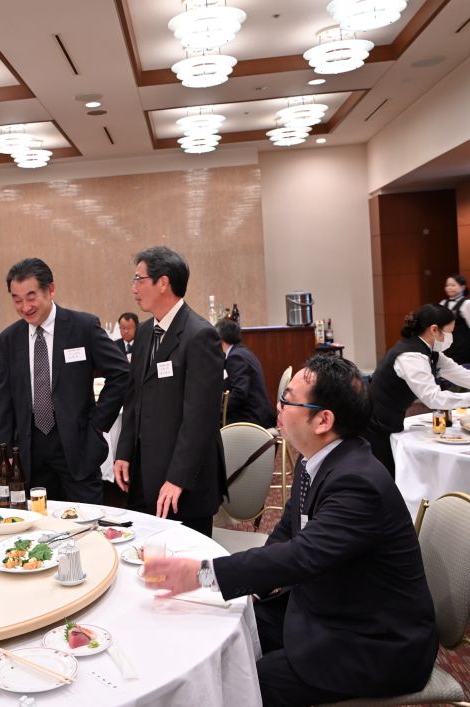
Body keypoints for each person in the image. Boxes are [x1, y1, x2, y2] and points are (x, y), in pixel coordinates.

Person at [144, 356, 438, 707]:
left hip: (376, 642)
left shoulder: (358, 483)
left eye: (288, 399)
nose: (278, 406)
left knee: (243, 684)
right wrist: (252, 586)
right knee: (220, 628)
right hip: (326, 604)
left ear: (323, 420)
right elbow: (285, 535)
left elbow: (300, 556)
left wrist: (202, 574)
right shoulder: (316, 459)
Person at [113, 246, 225, 537]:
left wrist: (177, 478)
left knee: (185, 558)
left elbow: (200, 418)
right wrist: (123, 452)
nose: (133, 288)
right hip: (144, 474)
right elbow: (133, 399)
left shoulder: (199, 335)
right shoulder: (145, 332)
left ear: (163, 282)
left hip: (184, 481)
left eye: (139, 279)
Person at [0, 258, 128, 504]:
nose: (25, 307)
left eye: (31, 297)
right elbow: (5, 398)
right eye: (17, 299)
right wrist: (6, 449)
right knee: (39, 520)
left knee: (86, 519)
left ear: (51, 290)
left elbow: (121, 373)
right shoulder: (9, 339)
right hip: (29, 448)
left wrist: (98, 425)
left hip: (78, 444)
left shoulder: (82, 327)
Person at [362, 303, 470, 474]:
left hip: (392, 417)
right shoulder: (410, 356)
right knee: (385, 473)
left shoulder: (430, 352)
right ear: (434, 330)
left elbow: (461, 374)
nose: (452, 338)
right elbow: (433, 398)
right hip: (375, 423)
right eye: (450, 332)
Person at [217, 318, 276, 428]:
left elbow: (240, 392)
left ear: (220, 340)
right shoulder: (241, 351)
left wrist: (219, 410)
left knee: (211, 423)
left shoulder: (236, 357)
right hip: (257, 412)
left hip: (252, 417)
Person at [439, 274, 470, 365]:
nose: (449, 288)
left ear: (463, 287)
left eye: (453, 285)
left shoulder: (467, 303)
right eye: (447, 285)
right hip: (446, 346)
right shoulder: (442, 303)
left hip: (463, 347)